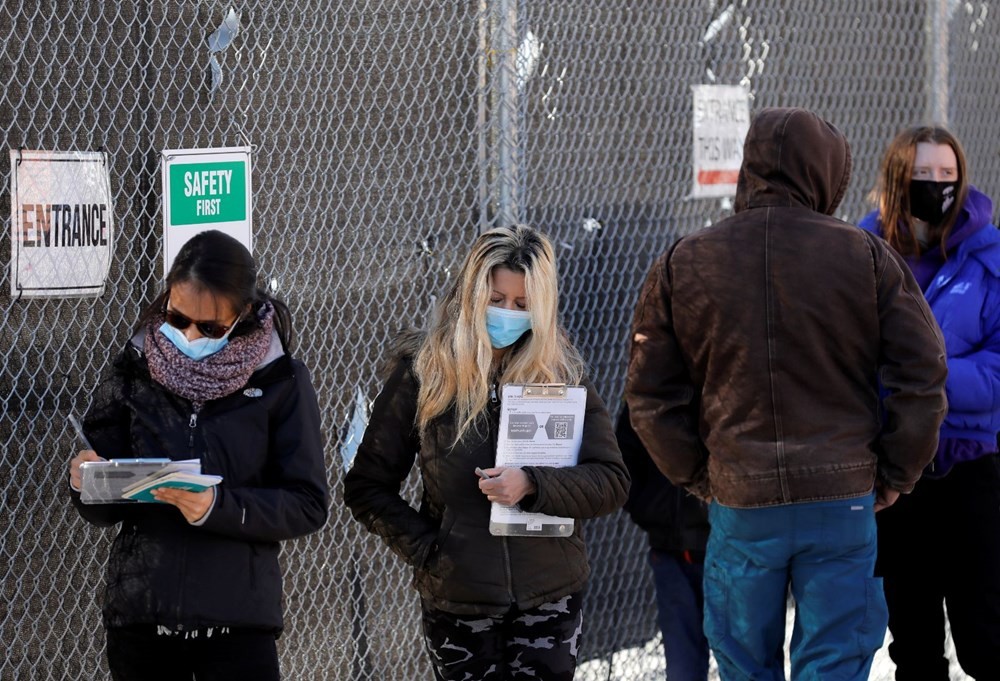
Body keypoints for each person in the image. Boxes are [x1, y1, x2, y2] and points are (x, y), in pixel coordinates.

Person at [625, 107, 949, 680]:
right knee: (834, 661)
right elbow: (922, 374)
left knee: (745, 665)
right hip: (842, 497)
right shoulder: (865, 256)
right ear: (825, 173)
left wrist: (702, 475)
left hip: (740, 500)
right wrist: (895, 474)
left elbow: (649, 393)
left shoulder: (687, 260)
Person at [343, 224, 630, 681]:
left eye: (522, 305)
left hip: (549, 596)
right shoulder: (425, 373)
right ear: (471, 295)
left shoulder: (561, 374)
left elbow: (611, 482)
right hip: (460, 602)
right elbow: (366, 487)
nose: (507, 314)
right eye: (496, 300)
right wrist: (432, 552)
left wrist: (534, 484)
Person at [68, 230, 329, 681]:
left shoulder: (281, 380)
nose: (189, 335)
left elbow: (308, 503)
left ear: (242, 314)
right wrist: (84, 479)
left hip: (238, 627)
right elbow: (102, 503)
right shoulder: (135, 365)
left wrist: (216, 507)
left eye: (209, 328)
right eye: (177, 317)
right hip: (143, 618)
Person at [860, 125, 1000, 680]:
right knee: (914, 646)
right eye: (923, 175)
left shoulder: (989, 257)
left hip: (972, 470)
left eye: (947, 174)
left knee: (986, 639)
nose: (937, 185)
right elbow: (856, 364)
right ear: (898, 179)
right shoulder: (864, 254)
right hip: (898, 475)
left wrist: (921, 378)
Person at [616, 404, 710, 680]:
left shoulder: (724, 379)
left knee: (741, 656)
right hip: (669, 549)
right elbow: (623, 461)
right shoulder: (647, 391)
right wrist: (649, 511)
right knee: (682, 662)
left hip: (728, 546)